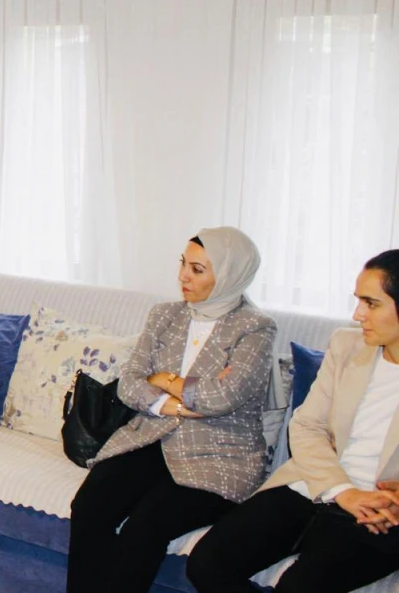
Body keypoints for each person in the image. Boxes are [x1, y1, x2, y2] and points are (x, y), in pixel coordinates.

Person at [66, 227, 277, 593]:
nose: (183, 276)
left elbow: (223, 397)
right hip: (150, 436)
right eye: (183, 264)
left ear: (229, 275)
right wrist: (173, 399)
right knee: (89, 507)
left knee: (145, 527)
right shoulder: (165, 315)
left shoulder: (255, 328)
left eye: (197, 269)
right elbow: (129, 384)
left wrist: (163, 379)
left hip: (219, 454)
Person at [187, 249, 399, 593]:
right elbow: (306, 425)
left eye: (371, 304)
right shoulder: (347, 345)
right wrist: (342, 491)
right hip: (316, 483)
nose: (357, 314)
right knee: (207, 563)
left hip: (381, 513)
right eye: (358, 300)